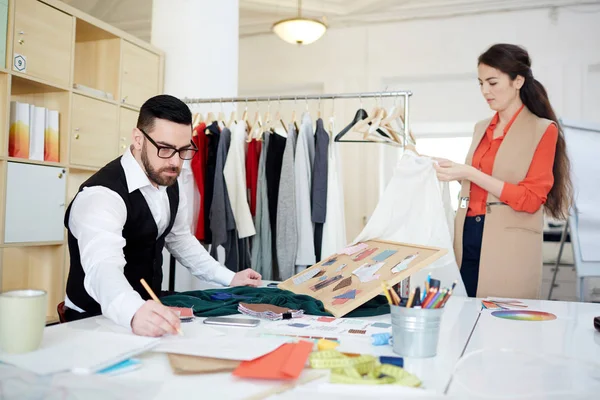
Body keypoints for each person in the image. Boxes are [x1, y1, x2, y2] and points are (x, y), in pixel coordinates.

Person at [63, 94, 262, 336]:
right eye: (165, 149)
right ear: (138, 139)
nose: (176, 162)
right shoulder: (101, 196)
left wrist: (229, 278)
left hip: (152, 311)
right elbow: (102, 267)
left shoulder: (168, 180)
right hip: (93, 320)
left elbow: (180, 240)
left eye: (184, 150)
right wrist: (133, 311)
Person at [434, 43, 572, 299]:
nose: (485, 91)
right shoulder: (481, 128)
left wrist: (470, 173)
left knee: (502, 326)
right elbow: (479, 189)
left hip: (508, 242)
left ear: (518, 81)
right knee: (463, 317)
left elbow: (530, 200)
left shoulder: (543, 129)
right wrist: (452, 172)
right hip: (467, 235)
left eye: (492, 82)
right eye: (480, 83)